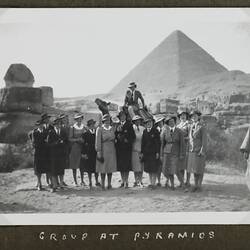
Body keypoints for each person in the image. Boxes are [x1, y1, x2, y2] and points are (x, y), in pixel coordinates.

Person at [161, 115, 185, 190]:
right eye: (169, 122)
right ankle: (172, 185)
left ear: (175, 122)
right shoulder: (165, 131)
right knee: (167, 169)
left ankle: (182, 184)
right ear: (167, 123)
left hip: (175, 153)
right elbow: (162, 144)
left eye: (172, 121)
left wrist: (181, 154)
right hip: (167, 153)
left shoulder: (179, 131)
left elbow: (182, 144)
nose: (171, 123)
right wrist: (161, 154)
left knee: (176, 169)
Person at [187, 110, 207, 192]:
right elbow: (190, 139)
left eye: (195, 116)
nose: (193, 117)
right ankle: (195, 185)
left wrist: (202, 150)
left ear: (198, 116)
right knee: (194, 169)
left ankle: (199, 185)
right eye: (192, 116)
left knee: (200, 169)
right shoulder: (191, 126)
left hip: (199, 151)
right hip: (192, 151)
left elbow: (204, 140)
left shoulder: (202, 127)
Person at [47, 116, 69, 192]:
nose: (58, 125)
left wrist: (63, 143)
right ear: (54, 125)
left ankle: (61, 184)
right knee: (54, 170)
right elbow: (49, 143)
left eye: (59, 124)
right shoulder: (51, 132)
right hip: (54, 154)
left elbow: (67, 142)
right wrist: (56, 143)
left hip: (61, 154)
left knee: (61, 169)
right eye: (56, 124)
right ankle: (55, 185)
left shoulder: (63, 131)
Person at [95, 114, 117, 190]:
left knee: (110, 167)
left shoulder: (112, 129)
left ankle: (109, 184)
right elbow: (97, 141)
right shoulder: (100, 129)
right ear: (103, 121)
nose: (107, 122)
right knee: (103, 168)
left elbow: (114, 139)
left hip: (111, 150)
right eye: (105, 120)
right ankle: (103, 184)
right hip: (103, 150)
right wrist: (99, 152)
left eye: (108, 120)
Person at [115, 110, 136, 188]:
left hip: (127, 149)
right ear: (119, 117)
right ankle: (122, 181)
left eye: (124, 116)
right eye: (121, 116)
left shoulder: (129, 125)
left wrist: (128, 140)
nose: (122, 117)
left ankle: (126, 181)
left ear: (125, 117)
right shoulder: (117, 125)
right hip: (119, 149)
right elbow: (115, 135)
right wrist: (117, 136)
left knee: (126, 166)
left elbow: (133, 137)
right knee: (121, 166)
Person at [141, 117, 161, 189]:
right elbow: (143, 143)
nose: (149, 124)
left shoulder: (155, 131)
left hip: (153, 153)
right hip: (147, 153)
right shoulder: (144, 131)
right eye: (147, 123)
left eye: (150, 122)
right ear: (145, 124)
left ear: (152, 123)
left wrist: (157, 152)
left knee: (154, 169)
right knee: (149, 169)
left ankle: (153, 183)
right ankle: (150, 183)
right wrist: (142, 152)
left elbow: (158, 143)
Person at [81, 119, 100, 188]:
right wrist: (83, 153)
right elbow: (83, 145)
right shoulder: (85, 134)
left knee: (96, 168)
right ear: (88, 126)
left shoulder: (97, 133)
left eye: (93, 124)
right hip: (88, 152)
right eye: (91, 124)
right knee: (89, 168)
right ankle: (90, 181)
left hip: (95, 152)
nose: (92, 126)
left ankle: (97, 181)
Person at [69, 113, 87, 186]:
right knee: (74, 165)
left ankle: (82, 181)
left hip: (82, 148)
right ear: (76, 119)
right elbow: (69, 138)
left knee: (82, 165)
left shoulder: (84, 127)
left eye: (80, 118)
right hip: (75, 147)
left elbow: (87, 137)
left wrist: (84, 140)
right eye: (78, 118)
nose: (79, 120)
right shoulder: (72, 128)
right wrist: (77, 139)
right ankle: (75, 181)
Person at [30, 120, 48, 191]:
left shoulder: (45, 132)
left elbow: (47, 141)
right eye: (39, 125)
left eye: (41, 124)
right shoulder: (34, 132)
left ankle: (47, 183)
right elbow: (35, 143)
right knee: (38, 169)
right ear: (37, 125)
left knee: (45, 168)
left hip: (45, 153)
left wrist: (44, 142)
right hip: (38, 152)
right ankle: (39, 184)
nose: (40, 126)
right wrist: (43, 142)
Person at [176, 109, 190, 188]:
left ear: (186, 116)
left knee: (187, 164)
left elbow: (190, 136)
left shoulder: (188, 124)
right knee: (180, 165)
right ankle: (182, 182)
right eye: (181, 115)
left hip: (186, 146)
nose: (183, 116)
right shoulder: (178, 125)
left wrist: (184, 138)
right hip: (179, 147)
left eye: (184, 115)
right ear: (179, 116)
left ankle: (187, 181)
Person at [40, 113, 54, 187]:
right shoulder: (41, 127)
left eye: (48, 118)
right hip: (43, 149)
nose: (47, 120)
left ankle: (50, 181)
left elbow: (54, 136)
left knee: (50, 165)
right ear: (43, 120)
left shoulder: (51, 127)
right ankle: (45, 181)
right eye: (46, 119)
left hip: (50, 149)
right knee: (44, 165)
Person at [131, 115, 144, 187]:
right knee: (136, 166)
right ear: (134, 121)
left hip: (141, 149)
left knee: (141, 166)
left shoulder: (143, 128)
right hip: (134, 149)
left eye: (139, 120)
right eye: (136, 120)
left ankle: (141, 180)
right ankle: (136, 181)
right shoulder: (132, 128)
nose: (138, 121)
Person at [154, 116, 165, 187]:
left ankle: (167, 181)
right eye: (158, 122)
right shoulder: (155, 130)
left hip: (165, 149)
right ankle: (158, 181)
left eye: (161, 122)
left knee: (166, 165)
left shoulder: (166, 129)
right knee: (158, 166)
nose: (160, 123)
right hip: (157, 149)